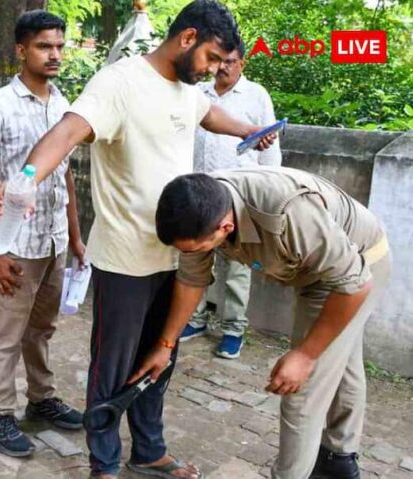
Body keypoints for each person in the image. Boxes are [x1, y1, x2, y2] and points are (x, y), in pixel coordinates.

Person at [23, 1, 276, 477]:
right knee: (112, 367)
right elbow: (69, 131)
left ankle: (148, 451)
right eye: (211, 58)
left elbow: (208, 114)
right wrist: (24, 181)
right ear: (187, 38)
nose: (214, 70)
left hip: (177, 255)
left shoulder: (186, 88)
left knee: (161, 358)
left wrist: (249, 129)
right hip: (124, 261)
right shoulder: (119, 83)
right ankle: (104, 463)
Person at [151, 168, 390, 479]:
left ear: (225, 227)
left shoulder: (288, 211)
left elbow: (354, 285)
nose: (188, 255)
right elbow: (191, 280)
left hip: (358, 267)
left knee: (301, 389)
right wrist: (166, 344)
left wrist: (305, 356)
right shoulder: (200, 210)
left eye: (192, 250)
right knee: (342, 361)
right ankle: (339, 460)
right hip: (320, 268)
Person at [0, 10, 83, 457]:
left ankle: (41, 398)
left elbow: (65, 174)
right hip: (15, 243)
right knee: (5, 333)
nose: (54, 54)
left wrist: (75, 236)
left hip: (53, 239)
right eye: (43, 46)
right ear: (21, 50)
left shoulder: (63, 104)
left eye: (58, 46)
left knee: (42, 329)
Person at [181, 39, 283, 359]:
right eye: (219, 60)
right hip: (200, 190)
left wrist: (269, 190)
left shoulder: (256, 95)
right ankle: (195, 319)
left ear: (242, 63)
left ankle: (233, 329)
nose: (223, 67)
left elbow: (270, 148)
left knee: (238, 265)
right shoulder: (199, 92)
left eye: (230, 61)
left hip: (240, 194)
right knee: (196, 257)